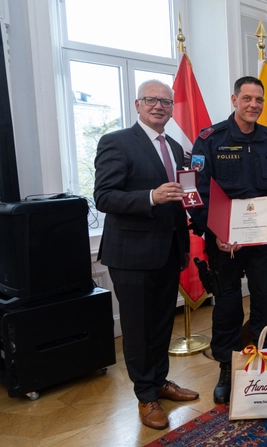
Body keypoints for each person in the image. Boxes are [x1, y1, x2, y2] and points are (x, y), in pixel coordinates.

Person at [94, 80, 198, 430]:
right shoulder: (116, 142)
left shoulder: (173, 145)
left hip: (170, 250)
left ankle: (160, 382)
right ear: (138, 104)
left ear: (172, 108)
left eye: (165, 102)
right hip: (131, 254)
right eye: (151, 100)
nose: (159, 106)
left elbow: (183, 195)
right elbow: (104, 197)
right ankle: (146, 397)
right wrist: (151, 197)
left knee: (161, 324)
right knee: (138, 328)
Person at [189, 76, 267, 404]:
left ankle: (264, 362)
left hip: (261, 239)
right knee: (228, 307)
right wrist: (214, 232)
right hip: (223, 243)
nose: (253, 105)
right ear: (234, 100)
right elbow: (196, 190)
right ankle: (227, 367)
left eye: (258, 100)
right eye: (247, 98)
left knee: (264, 302)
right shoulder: (210, 139)